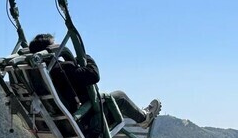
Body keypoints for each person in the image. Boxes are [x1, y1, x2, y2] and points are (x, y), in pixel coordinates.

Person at [27, 34, 161, 129]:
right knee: (119, 96)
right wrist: (86, 57)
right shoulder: (62, 70)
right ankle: (144, 119)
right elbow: (93, 75)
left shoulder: (38, 77)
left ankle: (137, 113)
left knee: (111, 99)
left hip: (66, 123)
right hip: (89, 122)